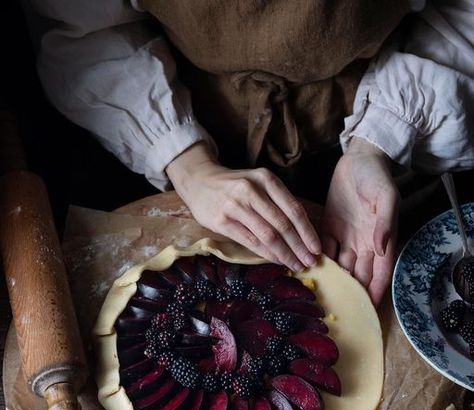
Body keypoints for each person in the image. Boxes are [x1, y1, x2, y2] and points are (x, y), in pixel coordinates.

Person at [26, 1, 474, 305]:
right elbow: (84, 29)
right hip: (169, 119)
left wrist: (377, 142)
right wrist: (186, 163)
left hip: (392, 123)